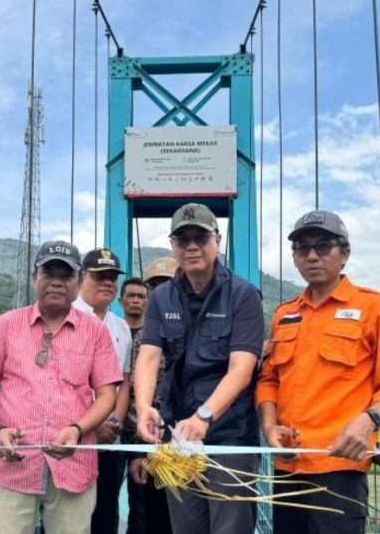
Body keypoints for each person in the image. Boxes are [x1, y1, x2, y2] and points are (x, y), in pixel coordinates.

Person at [255, 210, 380, 534]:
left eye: (323, 246)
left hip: (339, 466)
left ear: (345, 254)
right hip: (287, 466)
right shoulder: (285, 314)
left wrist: (368, 420)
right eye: (302, 248)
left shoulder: (376, 308)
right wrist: (269, 426)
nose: (312, 255)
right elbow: (268, 380)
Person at [0, 240, 122, 534]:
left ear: (78, 283)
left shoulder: (95, 331)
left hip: (74, 466)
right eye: (49, 273)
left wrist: (78, 428)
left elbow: (106, 394)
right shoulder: (6, 325)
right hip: (12, 467)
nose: (57, 282)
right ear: (34, 277)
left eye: (66, 275)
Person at [134, 203, 265, 534]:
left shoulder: (243, 295)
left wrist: (205, 416)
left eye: (200, 237)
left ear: (217, 241)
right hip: (179, 434)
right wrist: (144, 406)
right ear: (173, 246)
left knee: (229, 528)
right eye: (182, 239)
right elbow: (149, 356)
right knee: (186, 527)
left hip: (229, 436)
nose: (191, 246)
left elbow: (242, 368)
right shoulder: (162, 297)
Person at [75, 249, 133, 534]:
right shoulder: (65, 318)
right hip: (72, 438)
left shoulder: (121, 327)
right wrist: (87, 427)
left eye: (112, 277)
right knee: (69, 515)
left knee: (106, 512)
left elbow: (123, 381)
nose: (108, 282)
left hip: (109, 439)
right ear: (81, 278)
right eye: (99, 276)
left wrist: (114, 422)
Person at [119, 269, 174, 534]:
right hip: (125, 430)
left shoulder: (173, 332)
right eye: (131, 295)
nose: (137, 300)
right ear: (121, 301)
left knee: (159, 501)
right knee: (137, 501)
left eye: (143, 295)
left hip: (162, 431)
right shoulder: (114, 333)